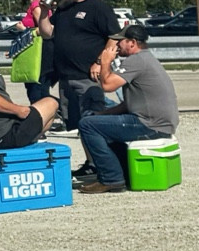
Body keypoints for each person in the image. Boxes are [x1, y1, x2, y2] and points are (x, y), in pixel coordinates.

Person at [76, 26, 180, 194]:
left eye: (120, 41)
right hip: (157, 122)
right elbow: (129, 104)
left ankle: (111, 179)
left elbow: (107, 85)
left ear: (132, 43)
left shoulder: (136, 60)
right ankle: (122, 172)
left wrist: (105, 61)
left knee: (87, 125)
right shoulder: (146, 58)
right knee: (97, 122)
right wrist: (102, 115)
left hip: (149, 124)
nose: (117, 46)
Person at [38, 0, 121, 134]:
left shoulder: (98, 8)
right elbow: (48, 33)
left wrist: (100, 62)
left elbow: (115, 37)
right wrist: (44, 13)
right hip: (65, 78)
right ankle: (87, 160)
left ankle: (96, 160)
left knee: (92, 124)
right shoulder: (64, 8)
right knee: (73, 126)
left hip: (87, 77)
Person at [0, 52, 59, 147]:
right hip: (0, 135)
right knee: (51, 103)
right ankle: (30, 140)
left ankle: (31, 139)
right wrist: (17, 110)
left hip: (0, 130)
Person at [13, 0, 55, 110]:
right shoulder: (42, 5)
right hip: (43, 51)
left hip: (38, 53)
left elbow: (43, 29)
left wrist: (23, 29)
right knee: (41, 88)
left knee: (36, 91)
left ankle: (44, 115)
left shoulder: (36, 5)